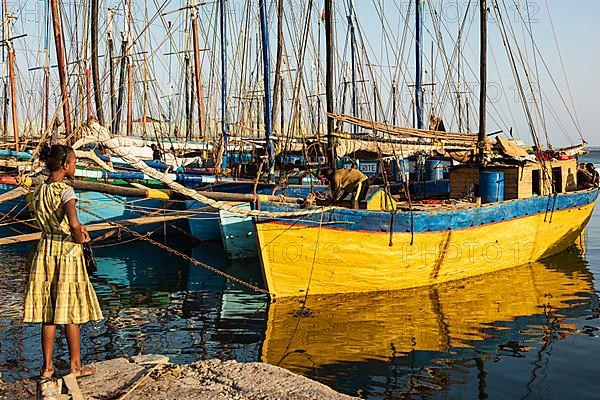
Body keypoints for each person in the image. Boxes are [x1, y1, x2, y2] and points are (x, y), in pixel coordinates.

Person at [23, 144, 103, 380]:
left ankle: (47, 368)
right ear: (65, 165)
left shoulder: (40, 191)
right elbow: (74, 223)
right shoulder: (65, 191)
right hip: (66, 254)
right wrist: (80, 235)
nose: (75, 166)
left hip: (45, 250)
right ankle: (75, 366)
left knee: (49, 312)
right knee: (70, 312)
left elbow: (48, 220)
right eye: (75, 162)